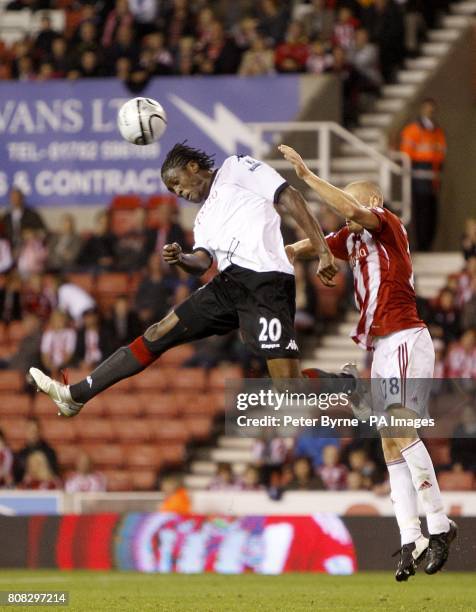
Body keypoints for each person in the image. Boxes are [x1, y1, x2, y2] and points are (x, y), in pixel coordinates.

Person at [30, 143, 337, 419]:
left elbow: (290, 196)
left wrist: (322, 249)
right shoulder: (202, 218)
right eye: (172, 190)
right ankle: (76, 395)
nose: (178, 192)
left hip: (266, 283)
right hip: (228, 284)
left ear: (193, 166)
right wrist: (182, 258)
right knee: (157, 332)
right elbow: (202, 261)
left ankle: (346, 383)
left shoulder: (238, 167)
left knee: (288, 389)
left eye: (176, 182)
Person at [280, 143, 456, 581]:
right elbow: (306, 245)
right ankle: (410, 536)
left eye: (352, 206)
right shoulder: (351, 238)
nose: (345, 217)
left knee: (400, 429)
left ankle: (438, 525)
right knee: (388, 441)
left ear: (372, 203)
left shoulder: (387, 225)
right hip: (381, 346)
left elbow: (348, 209)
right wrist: (267, 258)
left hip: (403, 335)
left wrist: (307, 176)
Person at [400, 98, 447, 251]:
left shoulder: (437, 131)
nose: (430, 112)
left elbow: (441, 154)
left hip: (433, 178)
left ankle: (428, 245)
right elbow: (406, 155)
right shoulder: (413, 130)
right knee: (421, 213)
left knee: (432, 214)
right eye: (428, 109)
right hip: (418, 178)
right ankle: (422, 246)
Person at [14, 418, 58, 483]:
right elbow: (17, 478)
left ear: (39, 432)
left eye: (35, 430)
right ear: (26, 432)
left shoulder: (49, 453)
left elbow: (53, 475)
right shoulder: (21, 454)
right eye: (30, 430)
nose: (32, 433)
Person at [2, 187, 46, 253]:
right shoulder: (6, 217)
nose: (15, 200)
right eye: (13, 197)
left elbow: (43, 232)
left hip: (28, 251)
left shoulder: (32, 215)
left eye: (17, 197)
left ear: (22, 198)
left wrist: (33, 234)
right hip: (9, 250)